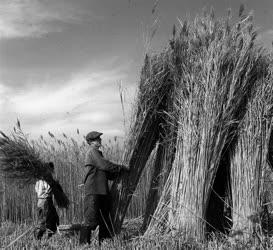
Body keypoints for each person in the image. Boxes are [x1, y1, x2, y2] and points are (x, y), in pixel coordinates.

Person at [79, 131, 129, 245]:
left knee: (104, 220)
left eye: (100, 138)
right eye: (97, 139)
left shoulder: (98, 154)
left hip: (102, 192)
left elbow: (106, 173)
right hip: (93, 191)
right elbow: (104, 165)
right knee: (90, 220)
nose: (100, 140)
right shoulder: (92, 152)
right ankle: (83, 245)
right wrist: (120, 168)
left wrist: (119, 173)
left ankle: (104, 243)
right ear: (91, 142)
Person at [34, 162, 59, 240]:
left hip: (40, 201)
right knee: (46, 220)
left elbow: (36, 189)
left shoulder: (39, 178)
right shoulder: (47, 177)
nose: (52, 171)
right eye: (52, 169)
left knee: (52, 218)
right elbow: (48, 188)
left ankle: (49, 237)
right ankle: (38, 236)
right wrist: (54, 184)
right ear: (50, 169)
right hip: (46, 201)